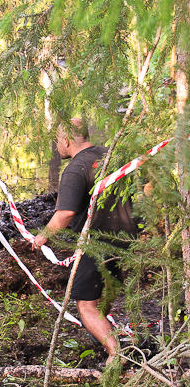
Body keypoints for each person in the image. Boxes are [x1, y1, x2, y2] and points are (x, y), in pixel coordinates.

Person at [32, 118, 139, 366]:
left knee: (86, 306)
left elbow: (65, 213)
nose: (57, 146)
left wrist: (43, 236)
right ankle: (108, 338)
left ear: (67, 140)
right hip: (126, 238)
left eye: (57, 141)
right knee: (100, 296)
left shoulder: (75, 169)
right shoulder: (111, 156)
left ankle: (116, 356)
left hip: (97, 242)